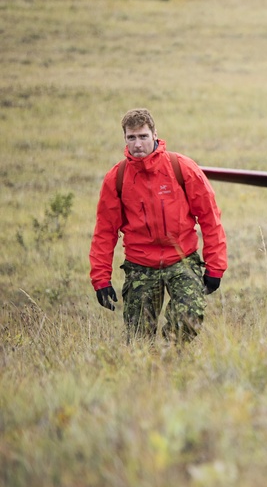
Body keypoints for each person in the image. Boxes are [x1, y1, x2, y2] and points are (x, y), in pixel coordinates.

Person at [89, 108, 227, 341]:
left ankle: (171, 360)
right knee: (139, 340)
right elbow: (105, 232)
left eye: (143, 136)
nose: (138, 144)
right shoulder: (117, 178)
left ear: (155, 135)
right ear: (125, 139)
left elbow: (210, 219)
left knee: (188, 320)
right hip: (140, 265)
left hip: (182, 259)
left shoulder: (182, 168)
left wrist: (216, 267)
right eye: (131, 138)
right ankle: (149, 372)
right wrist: (100, 279)